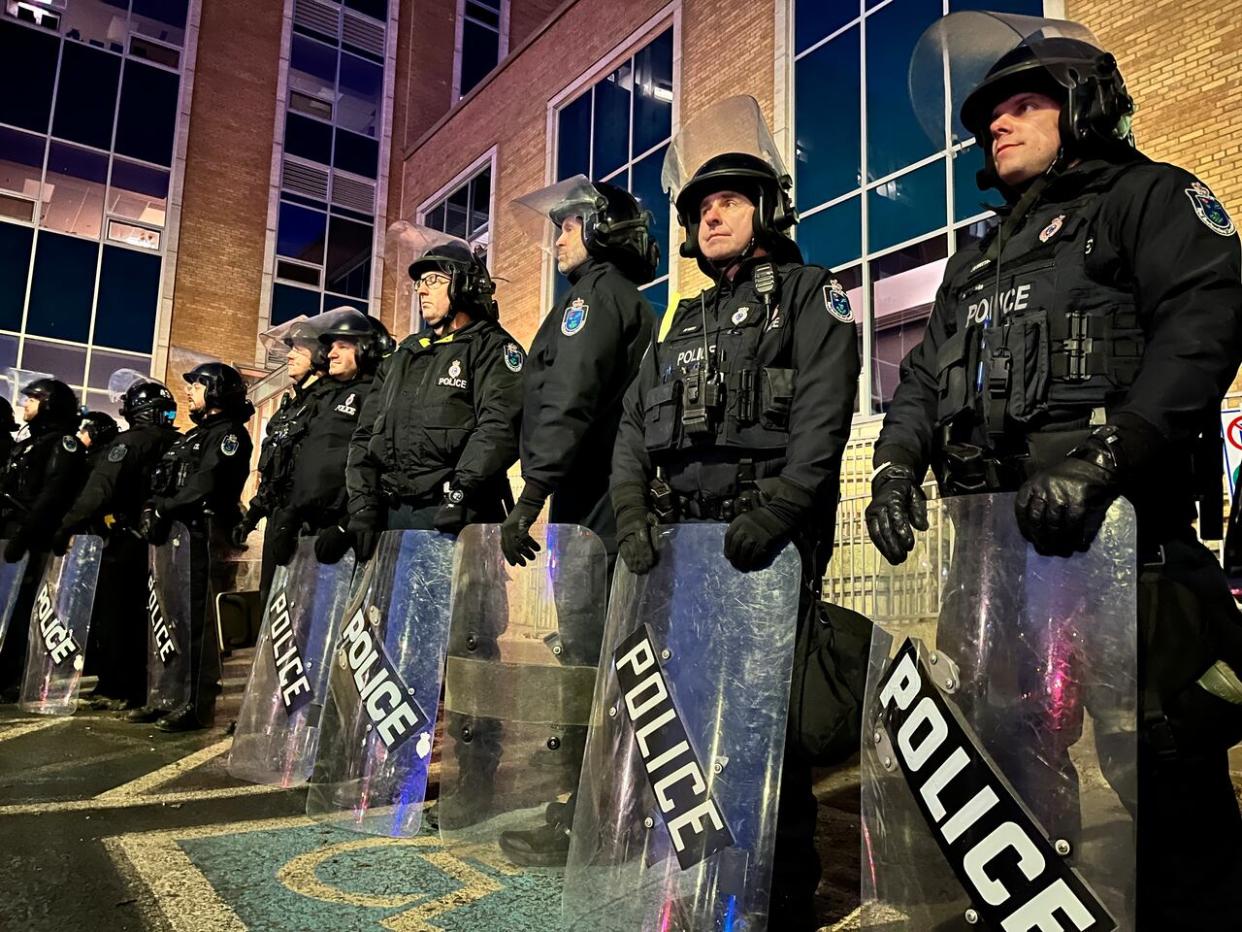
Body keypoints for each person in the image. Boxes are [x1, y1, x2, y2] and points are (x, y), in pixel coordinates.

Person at [867, 14, 1242, 925]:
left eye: (1022, 105)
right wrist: (891, 467)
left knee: (1160, 756)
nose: (997, 125)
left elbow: (1206, 322)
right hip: (994, 559)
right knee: (1007, 748)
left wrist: (1111, 453)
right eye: (991, 114)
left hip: (1124, 539)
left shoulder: (1147, 198)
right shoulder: (977, 258)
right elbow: (920, 379)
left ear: (1084, 108)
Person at [609, 96, 861, 927]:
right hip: (681, 549)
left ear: (768, 212)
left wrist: (785, 507)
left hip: (763, 544)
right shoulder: (681, 319)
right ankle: (702, 871)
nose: (712, 214)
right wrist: (630, 512)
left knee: (762, 729)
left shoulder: (810, 295)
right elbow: (630, 425)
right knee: (685, 718)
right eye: (701, 206)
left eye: (729, 201)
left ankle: (780, 890)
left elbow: (823, 417)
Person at [497, 177, 656, 865]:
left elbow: (568, 398)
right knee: (599, 658)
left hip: (594, 506)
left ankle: (594, 819)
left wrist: (530, 497)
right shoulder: (606, 298)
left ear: (602, 231)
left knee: (593, 662)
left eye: (569, 226)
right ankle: (604, 807)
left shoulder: (593, 299)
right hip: (592, 501)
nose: (557, 236)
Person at [317, 227, 524, 563]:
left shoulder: (493, 347)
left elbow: (499, 427)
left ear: (464, 284)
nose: (422, 291)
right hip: (394, 518)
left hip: (456, 516)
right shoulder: (403, 355)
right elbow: (365, 436)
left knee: (458, 614)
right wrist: (364, 506)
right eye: (420, 283)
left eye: (434, 280)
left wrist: (460, 492)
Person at [132, 362, 254, 732]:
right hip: (178, 540)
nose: (189, 392)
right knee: (173, 619)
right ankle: (167, 695)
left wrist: (166, 507)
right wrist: (154, 506)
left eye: (198, 385)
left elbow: (206, 482)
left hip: (204, 536)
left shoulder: (229, 435)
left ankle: (196, 705)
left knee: (199, 624)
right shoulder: (192, 436)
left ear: (216, 391)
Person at [55, 379, 178, 711]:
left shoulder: (129, 444)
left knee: (118, 615)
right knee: (159, 618)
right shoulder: (182, 442)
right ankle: (150, 688)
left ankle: (121, 687)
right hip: (170, 546)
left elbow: (100, 490)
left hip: (126, 543)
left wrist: (66, 525)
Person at [271, 309, 386, 562]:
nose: (331, 353)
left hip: (342, 533)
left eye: (342, 346)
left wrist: (348, 525)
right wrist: (289, 518)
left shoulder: (376, 396)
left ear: (367, 350)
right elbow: (309, 462)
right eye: (331, 346)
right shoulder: (329, 398)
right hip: (308, 529)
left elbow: (378, 465)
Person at [0, 378, 87, 701]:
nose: (26, 404)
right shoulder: (27, 443)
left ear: (50, 404)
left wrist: (23, 537)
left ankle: (13, 676)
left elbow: (52, 496)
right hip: (11, 535)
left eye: (34, 399)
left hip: (34, 541)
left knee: (24, 609)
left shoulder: (63, 444)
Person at [233, 317, 328, 612]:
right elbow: (275, 472)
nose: (288, 355)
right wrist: (252, 516)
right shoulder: (289, 409)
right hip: (278, 520)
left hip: (307, 524)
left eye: (298, 350)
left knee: (301, 610)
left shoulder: (327, 404)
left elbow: (316, 470)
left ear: (319, 356)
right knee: (270, 606)